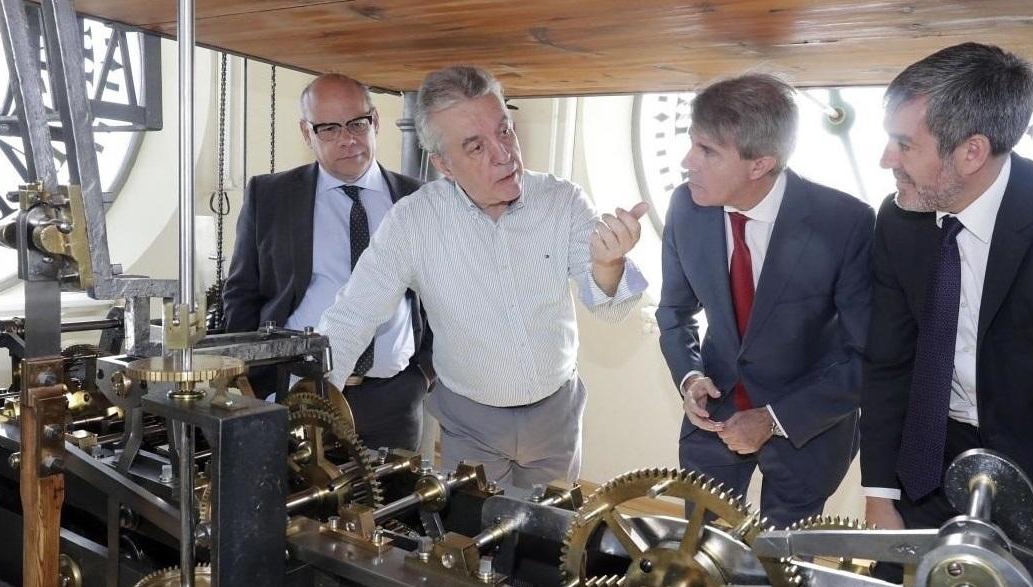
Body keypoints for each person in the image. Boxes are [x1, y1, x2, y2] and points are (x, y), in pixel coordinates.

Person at [860, 42, 1033, 582]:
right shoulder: (898, 222)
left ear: (970, 152)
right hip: (930, 469)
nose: (886, 161)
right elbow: (888, 364)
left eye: (903, 145)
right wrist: (881, 493)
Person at [316, 66, 648, 487]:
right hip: (469, 426)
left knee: (552, 543)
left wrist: (608, 265)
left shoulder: (562, 201)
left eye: (504, 132)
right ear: (443, 163)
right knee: (474, 542)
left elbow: (611, 309)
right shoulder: (413, 222)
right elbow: (353, 316)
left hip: (555, 419)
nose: (503, 154)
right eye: (475, 147)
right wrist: (311, 404)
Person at [655, 74, 873, 527]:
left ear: (760, 164)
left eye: (707, 151)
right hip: (712, 424)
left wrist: (773, 420)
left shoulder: (846, 222)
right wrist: (689, 376)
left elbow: (867, 356)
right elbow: (675, 313)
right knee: (700, 560)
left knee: (781, 575)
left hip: (807, 431)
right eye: (691, 143)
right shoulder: (685, 206)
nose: (686, 161)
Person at [224, 73, 433, 452]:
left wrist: (422, 374)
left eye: (357, 123)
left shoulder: (417, 198)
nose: (347, 139)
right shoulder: (270, 196)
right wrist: (250, 383)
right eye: (329, 128)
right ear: (307, 133)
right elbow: (242, 294)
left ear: (375, 122)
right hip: (298, 392)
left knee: (393, 505)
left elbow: (443, 295)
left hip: (392, 399)